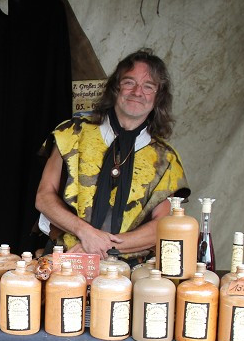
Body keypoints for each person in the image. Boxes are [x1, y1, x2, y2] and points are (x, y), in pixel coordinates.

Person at [35, 49, 190, 262]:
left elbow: (164, 225)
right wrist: (85, 232)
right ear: (115, 88)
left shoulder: (166, 160)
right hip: (66, 259)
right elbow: (44, 197)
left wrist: (103, 245)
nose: (137, 92)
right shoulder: (71, 133)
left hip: (126, 270)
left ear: (158, 97)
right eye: (129, 82)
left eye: (148, 86)